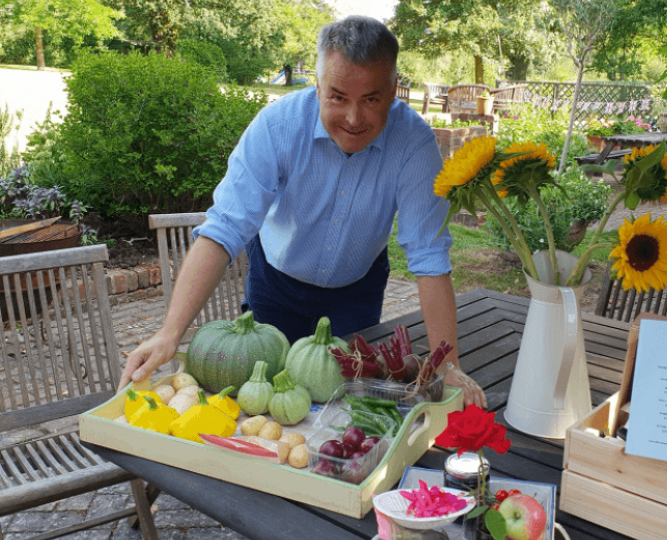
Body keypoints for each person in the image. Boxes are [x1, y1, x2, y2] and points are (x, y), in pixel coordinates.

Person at [119, 16, 487, 408]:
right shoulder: (277, 127)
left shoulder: (414, 143)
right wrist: (170, 333)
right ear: (317, 85)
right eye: (338, 97)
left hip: (356, 290)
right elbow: (224, 229)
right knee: (263, 399)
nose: (353, 118)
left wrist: (447, 366)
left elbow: (429, 255)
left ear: (394, 90)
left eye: (372, 99)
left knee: (344, 404)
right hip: (276, 281)